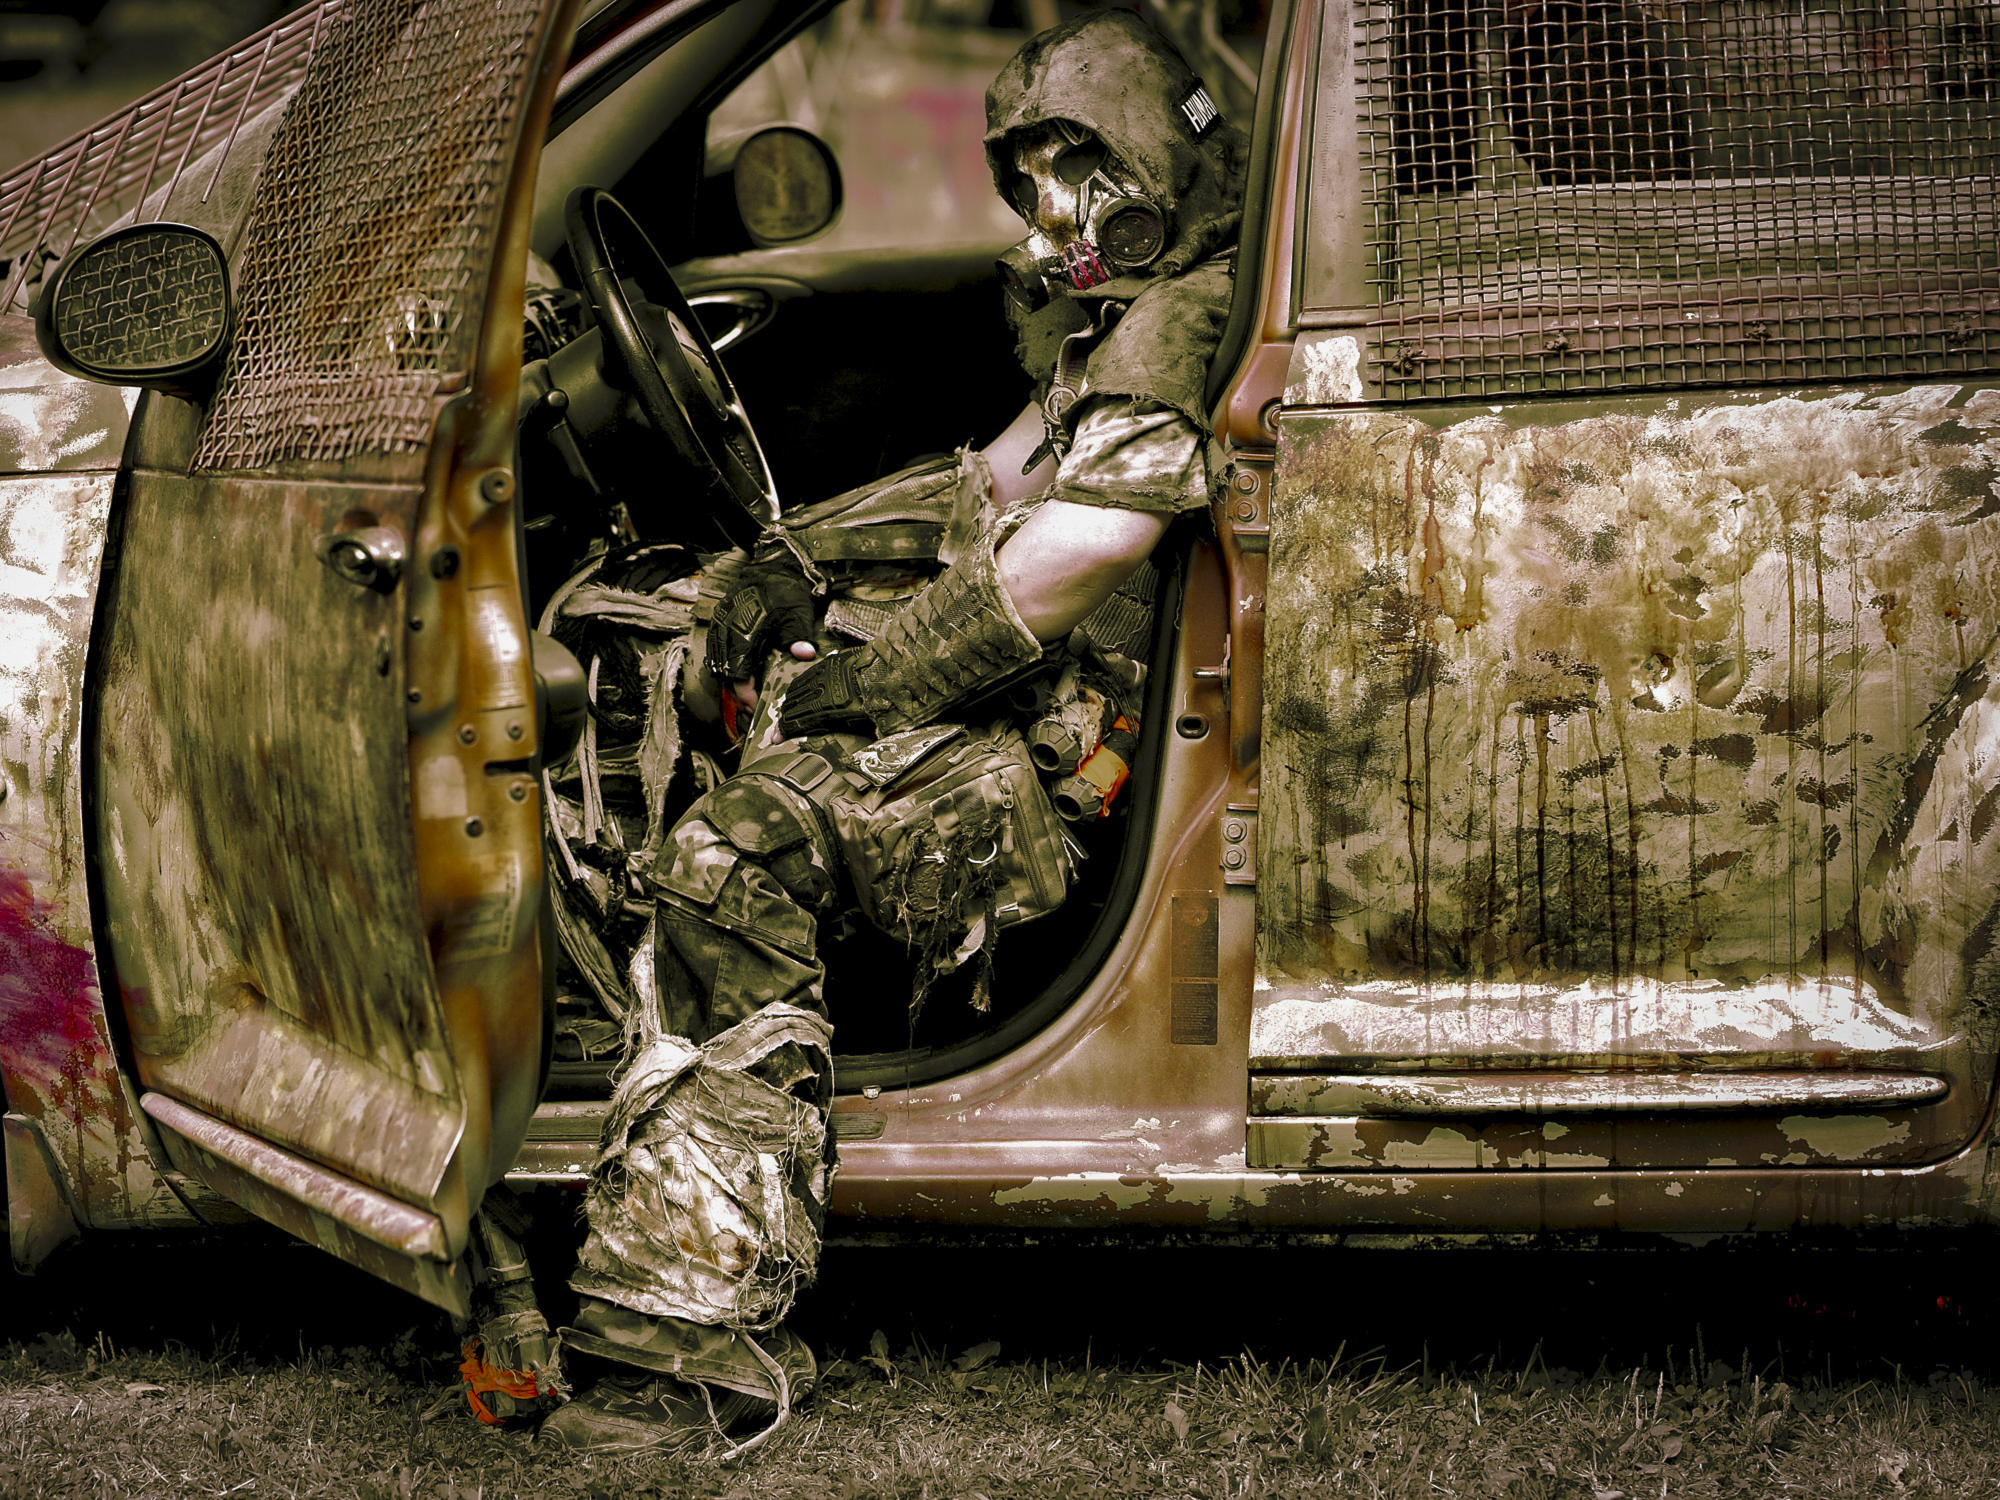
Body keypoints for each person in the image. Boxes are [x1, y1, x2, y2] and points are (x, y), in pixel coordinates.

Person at [529, 7, 1251, 1453]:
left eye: (1076, 172)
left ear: (1152, 162)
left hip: (1058, 760)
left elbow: (1079, 553)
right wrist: (788, 565)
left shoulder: (1181, 320)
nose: (1051, 213)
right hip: (1025, 702)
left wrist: (873, 679)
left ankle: (685, 1339)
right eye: (1030, 180)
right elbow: (994, 486)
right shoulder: (1117, 317)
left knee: (730, 865)